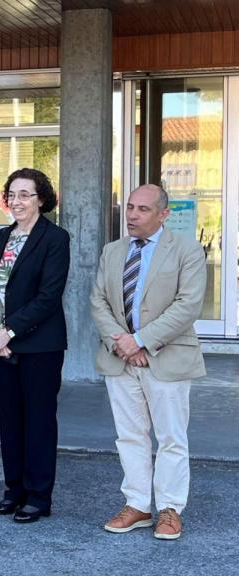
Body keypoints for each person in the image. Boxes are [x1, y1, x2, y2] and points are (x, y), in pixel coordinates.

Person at [91, 184, 206, 541]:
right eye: (129, 207)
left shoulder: (186, 250)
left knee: (171, 437)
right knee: (129, 435)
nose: (132, 215)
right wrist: (122, 343)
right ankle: (138, 505)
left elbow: (188, 305)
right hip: (120, 358)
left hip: (167, 358)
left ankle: (170, 508)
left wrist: (140, 340)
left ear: (164, 214)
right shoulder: (112, 251)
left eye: (142, 209)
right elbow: (98, 301)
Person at [0, 168, 70, 523]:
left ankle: (38, 496)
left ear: (41, 199)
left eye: (25, 195)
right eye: (11, 195)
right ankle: (13, 490)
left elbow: (49, 295)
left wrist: (10, 332)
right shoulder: (0, 238)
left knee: (39, 420)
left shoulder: (55, 238)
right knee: (10, 420)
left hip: (39, 346)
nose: (16, 201)